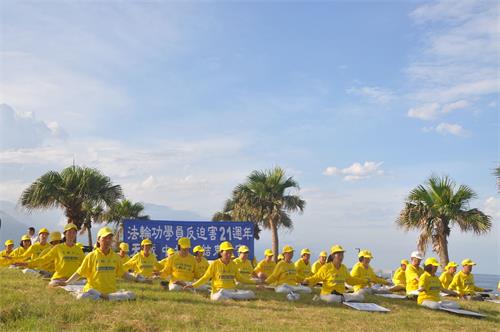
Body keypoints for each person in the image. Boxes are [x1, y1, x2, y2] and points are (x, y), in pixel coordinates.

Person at [63, 227, 135, 301]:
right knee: (81, 297)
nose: (107, 240)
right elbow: (79, 273)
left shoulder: (116, 257)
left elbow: (124, 274)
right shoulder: (91, 256)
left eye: (110, 238)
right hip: (94, 291)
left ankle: (105, 297)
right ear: (98, 240)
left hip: (110, 292)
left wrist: (137, 278)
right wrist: (66, 282)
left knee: (131, 294)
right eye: (104, 238)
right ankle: (107, 297)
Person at [185, 241, 258, 301]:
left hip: (231, 291)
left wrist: (255, 282)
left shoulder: (233, 264)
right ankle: (233, 298)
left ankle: (231, 297)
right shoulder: (215, 264)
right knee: (218, 297)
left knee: (251, 293)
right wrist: (193, 285)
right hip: (219, 291)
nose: (229, 255)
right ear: (221, 253)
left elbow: (240, 278)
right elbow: (205, 278)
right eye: (227, 253)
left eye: (230, 252)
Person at [20, 223, 84, 287]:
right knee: (52, 285)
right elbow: (43, 259)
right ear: (64, 234)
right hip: (58, 278)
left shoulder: (79, 250)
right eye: (69, 232)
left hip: (74, 280)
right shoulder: (58, 248)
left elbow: (85, 265)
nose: (71, 235)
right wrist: (27, 263)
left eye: (74, 232)